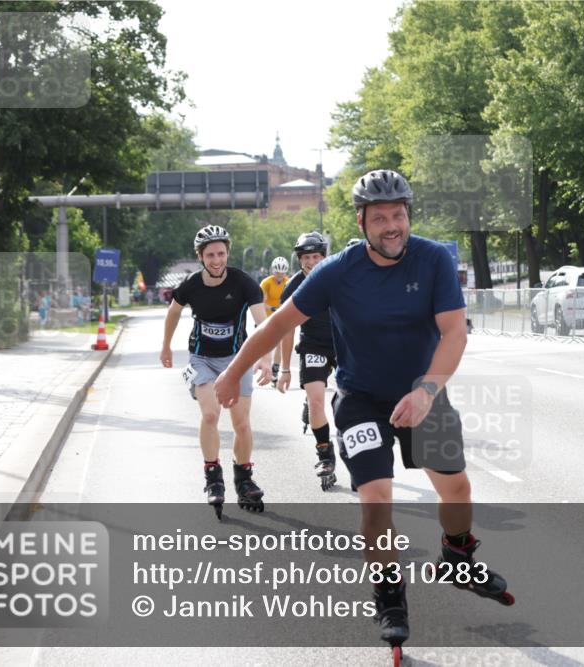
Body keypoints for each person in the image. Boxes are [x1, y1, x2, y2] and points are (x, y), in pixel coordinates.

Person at [214, 170, 512, 656]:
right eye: (380, 218)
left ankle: (457, 553)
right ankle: (389, 597)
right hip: (361, 400)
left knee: (456, 488)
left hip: (423, 392)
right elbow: (277, 326)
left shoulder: (433, 259)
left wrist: (427, 390)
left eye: (399, 215)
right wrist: (233, 372)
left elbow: (454, 334)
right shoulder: (337, 270)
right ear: (362, 221)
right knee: (376, 500)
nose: (392, 226)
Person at [160, 225, 272, 518]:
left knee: (242, 423)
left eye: (221, 253)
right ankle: (213, 475)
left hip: (238, 360)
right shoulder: (191, 285)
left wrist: (265, 358)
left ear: (228, 253)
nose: (217, 260)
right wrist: (166, 347)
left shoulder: (244, 282)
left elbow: (264, 323)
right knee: (210, 414)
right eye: (210, 255)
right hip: (202, 359)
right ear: (200, 257)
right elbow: (173, 312)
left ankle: (244, 478)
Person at [275, 232, 340, 491]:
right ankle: (325, 456)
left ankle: (357, 453)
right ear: (299, 260)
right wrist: (284, 368)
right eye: (306, 258)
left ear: (324, 256)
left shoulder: (338, 276)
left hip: (344, 342)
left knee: (351, 402)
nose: (312, 262)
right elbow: (286, 329)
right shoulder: (293, 287)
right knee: (316, 399)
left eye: (316, 256)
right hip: (314, 344)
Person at [259, 256, 291, 383]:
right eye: (277, 273)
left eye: (282, 273)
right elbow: (260, 303)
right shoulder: (266, 283)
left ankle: (275, 369)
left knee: (280, 344)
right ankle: (264, 364)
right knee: (267, 345)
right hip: (267, 316)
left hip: (281, 316)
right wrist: (272, 308)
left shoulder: (288, 282)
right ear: (273, 271)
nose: (280, 276)